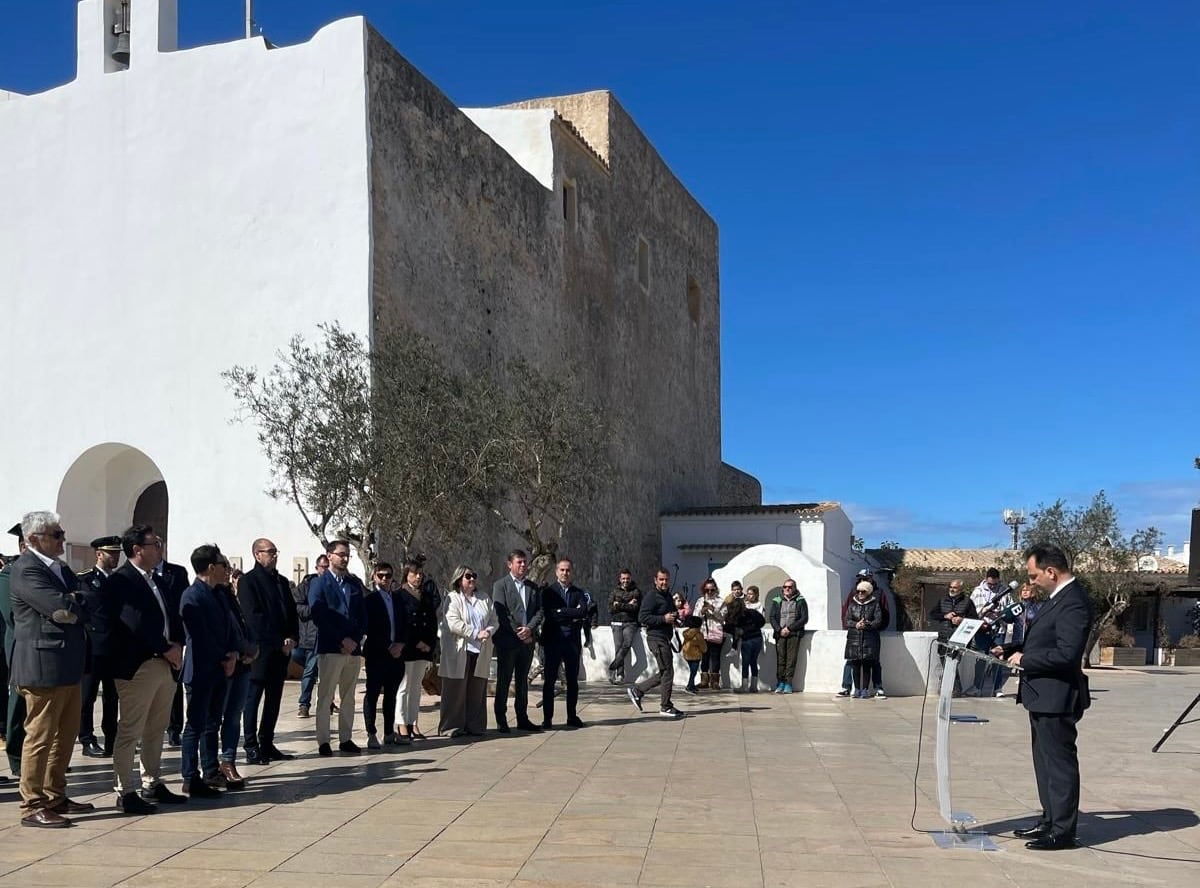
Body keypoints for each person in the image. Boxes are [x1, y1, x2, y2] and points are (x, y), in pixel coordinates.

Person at [996, 544, 1092, 851]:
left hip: (1058, 696)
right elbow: (1042, 640)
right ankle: (1050, 819)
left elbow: (1067, 653)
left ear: (1051, 572)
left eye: (1034, 575)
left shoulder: (1073, 602)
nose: (1032, 581)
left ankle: (1063, 831)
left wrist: (1025, 660)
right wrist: (1011, 650)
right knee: (1044, 763)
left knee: (1059, 764)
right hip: (1041, 696)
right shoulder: (1056, 599)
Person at [10, 511, 92, 827]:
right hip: (42, 664)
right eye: (55, 534)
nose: (62, 538)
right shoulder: (27, 569)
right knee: (40, 736)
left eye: (61, 532)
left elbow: (87, 599)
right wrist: (71, 604)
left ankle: (55, 794)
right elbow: (60, 608)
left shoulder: (58, 568)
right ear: (33, 540)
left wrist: (74, 603)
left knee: (66, 735)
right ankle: (32, 805)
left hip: (68, 663)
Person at [106, 524, 188, 814]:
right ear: (137, 549)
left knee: (157, 728)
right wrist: (166, 648)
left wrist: (176, 645)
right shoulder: (122, 581)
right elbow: (133, 621)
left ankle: (151, 781)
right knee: (131, 729)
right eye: (154, 544)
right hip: (138, 665)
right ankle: (124, 789)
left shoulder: (158, 580)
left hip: (165, 664)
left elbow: (172, 617)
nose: (159, 548)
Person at [178, 545, 238, 799]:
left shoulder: (220, 594)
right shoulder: (192, 596)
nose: (228, 570)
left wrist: (233, 653)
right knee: (195, 724)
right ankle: (190, 776)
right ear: (211, 567)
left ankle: (211, 770)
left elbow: (229, 629)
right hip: (202, 669)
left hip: (220, 668)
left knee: (213, 722)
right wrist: (224, 657)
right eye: (224, 564)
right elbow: (200, 636)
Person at [238, 537, 299, 763]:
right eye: (269, 551)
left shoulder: (282, 582)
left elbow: (290, 613)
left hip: (282, 652)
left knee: (274, 699)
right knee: (252, 699)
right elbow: (254, 618)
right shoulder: (249, 581)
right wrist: (277, 641)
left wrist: (292, 637)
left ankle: (267, 742)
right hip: (261, 651)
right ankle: (251, 745)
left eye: (275, 551)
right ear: (257, 554)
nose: (274, 555)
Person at [307, 539, 368, 756]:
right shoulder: (319, 583)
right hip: (331, 648)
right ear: (329, 555)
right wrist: (342, 639)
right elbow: (320, 615)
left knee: (349, 695)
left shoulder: (353, 584)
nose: (344, 558)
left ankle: (346, 738)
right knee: (326, 696)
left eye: (347, 555)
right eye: (341, 554)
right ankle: (324, 740)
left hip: (352, 649)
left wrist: (355, 639)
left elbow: (362, 615)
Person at [76, 535, 122, 758]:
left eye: (117, 553)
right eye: (110, 553)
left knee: (112, 697)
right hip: (92, 647)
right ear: (98, 554)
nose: (115, 557)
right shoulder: (84, 580)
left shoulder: (120, 581)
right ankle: (86, 739)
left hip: (114, 648)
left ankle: (112, 737)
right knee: (87, 696)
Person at [439, 566, 498, 737]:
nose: (472, 579)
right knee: (455, 690)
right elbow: (453, 622)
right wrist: (474, 632)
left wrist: (489, 630)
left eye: (474, 576)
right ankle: (451, 726)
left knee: (477, 691)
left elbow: (494, 619)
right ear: (459, 579)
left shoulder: (483, 598)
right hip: (459, 651)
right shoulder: (453, 598)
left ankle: (475, 725)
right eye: (468, 576)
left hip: (480, 650)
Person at [491, 549, 544, 732]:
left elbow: (539, 611)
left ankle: (522, 717)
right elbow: (501, 612)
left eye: (524, 562)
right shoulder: (500, 585)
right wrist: (517, 631)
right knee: (504, 680)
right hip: (507, 641)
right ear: (510, 564)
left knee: (522, 681)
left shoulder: (532, 587)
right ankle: (501, 719)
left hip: (527, 642)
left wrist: (529, 629)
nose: (523, 565)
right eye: (519, 562)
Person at [540, 558, 590, 729]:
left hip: (572, 643)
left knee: (572, 681)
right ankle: (547, 718)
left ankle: (571, 716)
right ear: (556, 572)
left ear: (571, 572)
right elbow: (550, 613)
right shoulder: (549, 592)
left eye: (567, 570)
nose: (565, 573)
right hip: (553, 641)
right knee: (549, 681)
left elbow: (583, 611)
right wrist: (570, 613)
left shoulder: (578, 592)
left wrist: (562, 612)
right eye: (562, 570)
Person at [628, 568, 683, 718]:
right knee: (668, 671)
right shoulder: (651, 596)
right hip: (655, 638)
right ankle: (665, 706)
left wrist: (675, 618)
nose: (664, 582)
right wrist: (663, 619)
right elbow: (642, 617)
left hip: (665, 637)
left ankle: (638, 691)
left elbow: (671, 613)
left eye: (666, 579)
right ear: (655, 580)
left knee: (666, 671)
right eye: (661, 579)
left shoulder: (668, 596)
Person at [363, 563, 407, 749]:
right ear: (374, 577)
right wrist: (388, 645)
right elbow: (369, 627)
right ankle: (371, 732)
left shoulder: (397, 599)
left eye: (388, 576)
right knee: (372, 694)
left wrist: (400, 644)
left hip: (396, 655)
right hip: (377, 654)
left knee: (391, 695)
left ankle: (389, 732)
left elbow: (405, 623)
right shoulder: (369, 599)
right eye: (380, 575)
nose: (384, 579)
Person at [395, 560, 439, 742]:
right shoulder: (400, 595)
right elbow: (402, 623)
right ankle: (401, 723)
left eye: (421, 573)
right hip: (408, 648)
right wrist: (415, 642)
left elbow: (431, 622)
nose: (419, 576)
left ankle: (413, 722)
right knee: (403, 687)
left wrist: (429, 643)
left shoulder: (426, 596)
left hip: (424, 648)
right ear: (407, 574)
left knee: (415, 688)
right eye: (414, 573)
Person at [153, 543, 190, 749]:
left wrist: (179, 639)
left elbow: (182, 606)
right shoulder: (141, 576)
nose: (157, 550)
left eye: (159, 546)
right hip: (152, 640)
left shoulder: (176, 572)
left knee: (174, 684)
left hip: (173, 639)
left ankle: (175, 729)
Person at [0, 522, 27, 779]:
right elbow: (13, 615)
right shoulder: (9, 574)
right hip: (20, 645)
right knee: (18, 704)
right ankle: (17, 759)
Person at [837, 573, 891, 698]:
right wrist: (855, 625)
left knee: (872, 663)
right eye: (860, 579)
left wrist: (870, 626)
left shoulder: (878, 594)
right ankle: (847, 687)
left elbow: (883, 616)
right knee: (852, 662)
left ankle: (877, 688)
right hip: (855, 637)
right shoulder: (853, 595)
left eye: (865, 579)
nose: (860, 592)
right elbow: (847, 614)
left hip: (871, 637)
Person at [929, 579, 977, 697]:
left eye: (955, 587)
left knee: (953, 663)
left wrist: (961, 620)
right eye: (950, 586)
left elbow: (975, 619)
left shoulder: (967, 602)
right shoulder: (942, 600)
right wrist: (945, 616)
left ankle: (952, 690)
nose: (952, 589)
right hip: (944, 637)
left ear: (960, 589)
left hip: (959, 638)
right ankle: (953, 689)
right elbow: (932, 614)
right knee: (945, 663)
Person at [293, 554, 327, 718]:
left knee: (313, 670)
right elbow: (298, 608)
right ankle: (311, 701)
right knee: (306, 666)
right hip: (306, 635)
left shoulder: (333, 585)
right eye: (323, 567)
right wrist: (315, 609)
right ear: (317, 568)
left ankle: (305, 704)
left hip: (323, 636)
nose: (325, 570)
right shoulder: (306, 586)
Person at [968, 568, 1011, 697]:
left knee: (998, 659)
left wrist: (1001, 613)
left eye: (994, 584)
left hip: (999, 629)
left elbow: (1010, 609)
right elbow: (971, 610)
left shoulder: (1005, 592)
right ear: (986, 579)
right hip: (982, 629)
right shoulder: (977, 591)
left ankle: (997, 689)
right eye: (990, 584)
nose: (992, 586)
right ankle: (977, 687)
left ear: (999, 580)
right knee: (981, 658)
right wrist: (985, 612)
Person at [768, 579, 808, 694]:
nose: (787, 589)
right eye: (785, 587)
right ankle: (780, 682)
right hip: (780, 634)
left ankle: (788, 683)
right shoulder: (777, 600)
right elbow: (772, 617)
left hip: (794, 634)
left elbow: (804, 618)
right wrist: (779, 630)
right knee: (781, 659)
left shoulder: (801, 601)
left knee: (791, 659)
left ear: (794, 588)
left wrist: (789, 629)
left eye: (790, 587)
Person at [606, 571, 640, 686]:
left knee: (627, 644)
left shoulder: (636, 591)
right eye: (623, 578)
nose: (626, 581)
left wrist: (619, 604)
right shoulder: (614, 591)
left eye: (628, 578)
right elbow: (610, 609)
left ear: (631, 579)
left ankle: (612, 667)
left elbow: (635, 608)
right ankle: (620, 675)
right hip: (616, 622)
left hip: (630, 623)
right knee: (618, 648)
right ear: (620, 579)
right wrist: (627, 604)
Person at [727, 593, 766, 692]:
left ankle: (744, 686)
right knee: (753, 662)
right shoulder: (752, 612)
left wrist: (744, 631)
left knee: (745, 662)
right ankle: (754, 686)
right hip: (757, 638)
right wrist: (754, 628)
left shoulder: (737, 617)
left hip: (747, 640)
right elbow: (762, 621)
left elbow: (734, 630)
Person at [680, 616, 706, 694]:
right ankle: (690, 686)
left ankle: (692, 685)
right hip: (695, 656)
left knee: (692, 671)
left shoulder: (686, 633)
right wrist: (704, 650)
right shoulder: (698, 635)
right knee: (693, 672)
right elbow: (703, 646)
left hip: (687, 655)